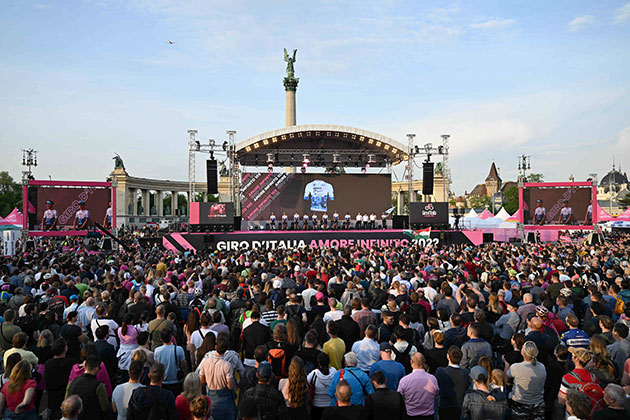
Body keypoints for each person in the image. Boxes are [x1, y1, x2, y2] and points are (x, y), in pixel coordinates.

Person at [198, 333, 236, 420]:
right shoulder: (227, 365)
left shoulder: (205, 361)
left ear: (215, 347)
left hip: (210, 394)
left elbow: (202, 380)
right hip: (225, 398)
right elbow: (230, 386)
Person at [507, 341, 547, 420]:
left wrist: (506, 364)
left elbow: (505, 377)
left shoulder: (516, 367)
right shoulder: (542, 367)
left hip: (520, 404)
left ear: (523, 352)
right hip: (538, 404)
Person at [66, 354, 110, 420]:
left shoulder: (72, 382)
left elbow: (66, 401)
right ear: (96, 369)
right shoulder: (99, 386)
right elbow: (105, 407)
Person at [397, 353, 439, 420]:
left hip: (410, 415)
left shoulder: (404, 380)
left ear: (411, 362)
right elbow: (436, 394)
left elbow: (400, 397)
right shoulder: (432, 379)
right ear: (424, 361)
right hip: (428, 415)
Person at [435, 346, 470, 419]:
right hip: (459, 408)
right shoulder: (466, 373)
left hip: (444, 408)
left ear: (448, 356)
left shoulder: (441, 371)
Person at [45, 338, 77, 420]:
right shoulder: (72, 363)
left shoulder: (48, 364)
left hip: (52, 400)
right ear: (65, 349)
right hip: (67, 399)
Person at [307, 352, 337, 420]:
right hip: (330, 405)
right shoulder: (334, 372)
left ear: (319, 362)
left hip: (316, 405)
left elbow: (307, 381)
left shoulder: (314, 374)